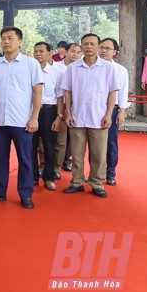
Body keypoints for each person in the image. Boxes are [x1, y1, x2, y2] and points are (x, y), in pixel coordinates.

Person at [0, 26, 42, 210]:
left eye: (10, 38)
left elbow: (37, 92)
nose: (6, 42)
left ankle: (25, 194)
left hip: (22, 120)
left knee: (25, 158)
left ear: (20, 41)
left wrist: (34, 118)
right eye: (4, 38)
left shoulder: (31, 64)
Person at [60, 34, 119, 198]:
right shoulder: (73, 68)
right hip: (77, 117)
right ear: (81, 46)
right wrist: (68, 112)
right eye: (85, 44)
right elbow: (67, 91)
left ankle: (97, 183)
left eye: (93, 44)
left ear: (98, 46)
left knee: (98, 155)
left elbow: (112, 92)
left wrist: (109, 114)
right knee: (77, 154)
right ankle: (77, 182)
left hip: (99, 117)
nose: (89, 47)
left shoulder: (108, 68)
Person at [31, 42, 63, 191]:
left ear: (50, 53)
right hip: (30, 112)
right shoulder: (28, 69)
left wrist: (59, 116)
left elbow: (60, 97)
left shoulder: (57, 72)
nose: (38, 54)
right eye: (36, 51)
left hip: (49, 111)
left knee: (50, 146)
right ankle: (32, 176)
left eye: (41, 51)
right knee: (30, 146)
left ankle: (49, 177)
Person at [99, 38, 129, 186]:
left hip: (112, 111)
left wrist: (122, 112)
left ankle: (110, 173)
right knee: (94, 143)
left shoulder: (121, 70)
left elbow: (123, 93)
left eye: (108, 48)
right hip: (94, 109)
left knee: (111, 143)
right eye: (102, 47)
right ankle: (96, 173)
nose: (104, 51)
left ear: (115, 52)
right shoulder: (93, 67)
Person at [53, 42, 82, 173]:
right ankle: (55, 165)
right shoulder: (56, 68)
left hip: (76, 106)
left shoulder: (80, 68)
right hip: (59, 105)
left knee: (74, 137)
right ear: (66, 52)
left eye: (78, 52)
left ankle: (67, 160)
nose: (75, 54)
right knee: (60, 138)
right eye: (73, 51)